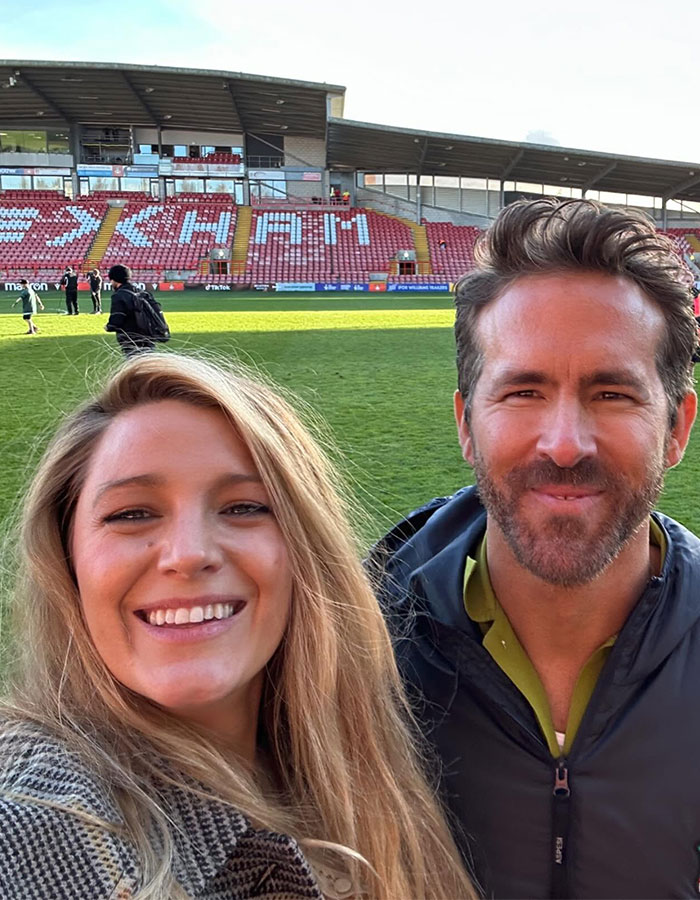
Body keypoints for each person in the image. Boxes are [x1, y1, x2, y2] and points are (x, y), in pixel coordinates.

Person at [0, 354, 475, 900]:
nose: (189, 554)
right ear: (68, 561)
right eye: (132, 514)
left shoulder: (373, 770)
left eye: (245, 507)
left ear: (306, 551)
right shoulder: (37, 829)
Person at [372, 198, 700, 899]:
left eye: (612, 393)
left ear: (678, 427)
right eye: (522, 391)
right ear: (466, 423)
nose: (564, 444)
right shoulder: (348, 649)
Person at [104, 263, 155, 357]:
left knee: (135, 366)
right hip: (148, 336)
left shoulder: (119, 295)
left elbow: (117, 319)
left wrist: (108, 327)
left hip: (131, 338)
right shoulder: (142, 292)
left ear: (114, 280)